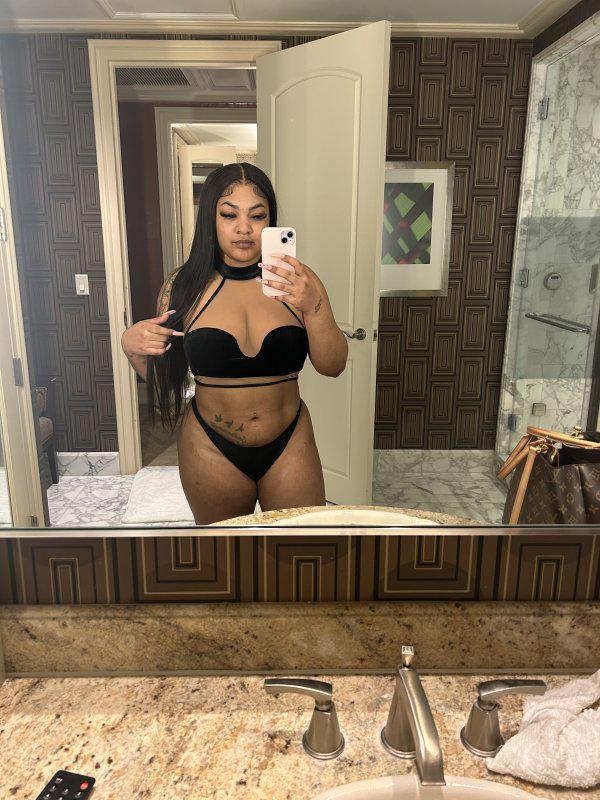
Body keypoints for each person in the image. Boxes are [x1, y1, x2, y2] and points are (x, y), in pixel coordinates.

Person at [121, 163, 348, 523]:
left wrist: (313, 306)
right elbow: (166, 381)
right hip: (209, 446)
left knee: (300, 549)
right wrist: (132, 349)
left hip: (290, 442)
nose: (244, 228)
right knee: (225, 554)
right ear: (210, 219)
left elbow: (333, 366)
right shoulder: (182, 286)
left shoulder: (299, 282)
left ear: (270, 221)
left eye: (257, 216)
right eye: (229, 215)